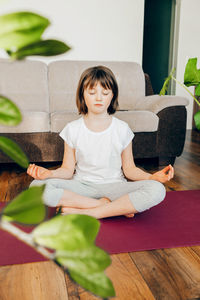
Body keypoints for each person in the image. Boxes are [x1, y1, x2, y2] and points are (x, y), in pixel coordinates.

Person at [27, 65, 174, 219]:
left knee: (157, 189)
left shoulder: (122, 129)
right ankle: (109, 206)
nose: (99, 98)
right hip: (82, 186)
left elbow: (130, 169)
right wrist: (49, 173)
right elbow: (67, 170)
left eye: (105, 93)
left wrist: (152, 178)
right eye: (92, 92)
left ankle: (90, 212)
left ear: (112, 96)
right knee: (36, 186)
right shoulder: (72, 129)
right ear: (82, 95)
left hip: (116, 186)